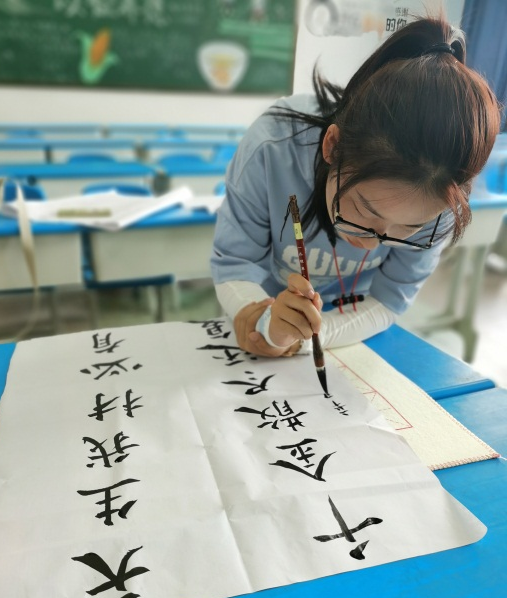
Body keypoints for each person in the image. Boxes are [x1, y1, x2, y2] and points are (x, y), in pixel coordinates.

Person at [210, 16, 501, 358]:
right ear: (333, 146)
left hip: (354, 330)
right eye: (365, 209)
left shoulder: (444, 197)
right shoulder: (273, 147)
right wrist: (263, 322)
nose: (369, 244)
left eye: (408, 228)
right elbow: (234, 263)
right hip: (268, 302)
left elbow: (390, 299)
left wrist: (307, 338)